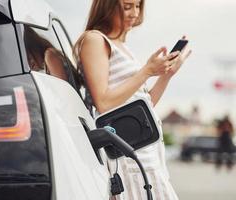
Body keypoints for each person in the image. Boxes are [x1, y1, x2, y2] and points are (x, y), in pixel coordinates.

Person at [74, 0, 191, 199]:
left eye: (138, 6)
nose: (134, 13)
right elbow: (103, 102)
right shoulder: (95, 40)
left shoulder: (123, 47)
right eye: (127, 6)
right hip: (128, 157)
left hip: (147, 154)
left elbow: (144, 104)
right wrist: (146, 71)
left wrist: (165, 75)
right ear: (107, 5)